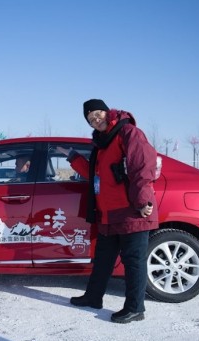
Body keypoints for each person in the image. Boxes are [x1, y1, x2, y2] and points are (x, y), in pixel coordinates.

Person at [58, 99, 158, 324]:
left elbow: (142, 166)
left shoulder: (128, 132)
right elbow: (94, 173)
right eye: (90, 118)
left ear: (106, 111)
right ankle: (94, 297)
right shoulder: (101, 144)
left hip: (131, 210)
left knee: (133, 261)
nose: (95, 119)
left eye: (97, 114)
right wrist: (72, 155)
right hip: (108, 213)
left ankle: (135, 308)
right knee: (103, 259)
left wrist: (143, 201)